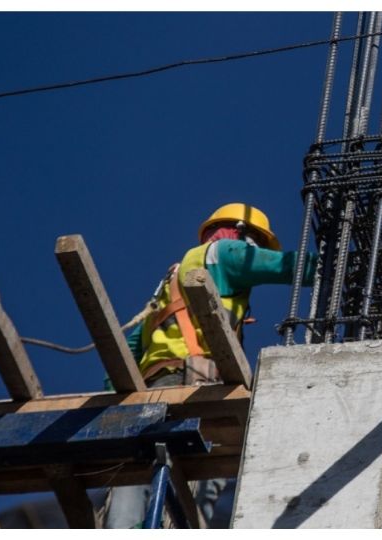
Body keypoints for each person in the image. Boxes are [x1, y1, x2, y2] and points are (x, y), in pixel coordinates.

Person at [104, 202, 316, 528]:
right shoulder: (227, 253)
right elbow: (292, 267)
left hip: (152, 386)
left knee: (132, 466)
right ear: (241, 233)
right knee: (201, 473)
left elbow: (131, 348)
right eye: (256, 242)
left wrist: (110, 408)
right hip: (191, 386)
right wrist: (348, 262)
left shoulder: (173, 277)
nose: (255, 250)